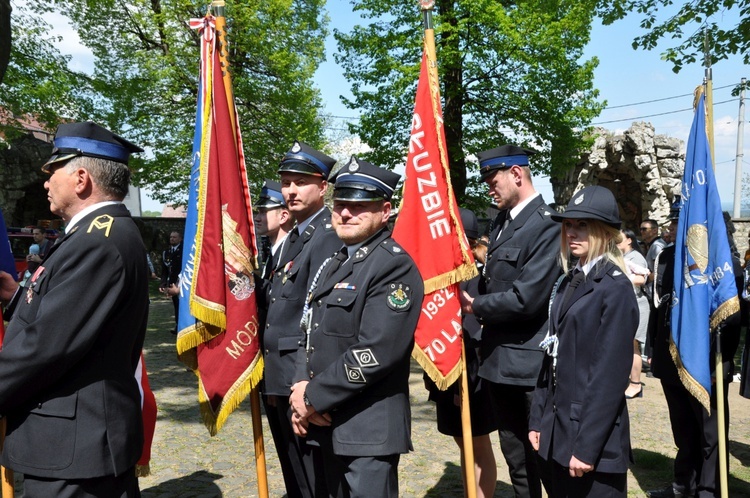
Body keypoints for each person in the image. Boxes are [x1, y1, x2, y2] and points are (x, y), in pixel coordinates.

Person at [0, 121, 148, 497]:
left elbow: (45, 346)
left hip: (75, 447)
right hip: (75, 442)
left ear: (81, 178)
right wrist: (17, 294)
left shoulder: (98, 242)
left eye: (52, 173)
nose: (46, 183)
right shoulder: (96, 235)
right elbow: (68, 315)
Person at [289, 157, 424, 497]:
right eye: (341, 204)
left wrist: (312, 397)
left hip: (367, 430)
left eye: (360, 206)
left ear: (386, 210)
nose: (346, 213)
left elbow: (375, 351)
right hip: (324, 423)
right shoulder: (337, 261)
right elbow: (308, 330)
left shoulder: (393, 267)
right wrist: (299, 389)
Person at [459, 144, 561, 498]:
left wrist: (477, 306)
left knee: (545, 459)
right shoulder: (502, 221)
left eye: (493, 178)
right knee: (517, 461)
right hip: (498, 361)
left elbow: (527, 297)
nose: (489, 187)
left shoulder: (546, 226)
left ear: (517, 174)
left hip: (529, 366)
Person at [529, 185, 639, 497]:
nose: (572, 233)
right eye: (568, 224)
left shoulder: (615, 289)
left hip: (590, 443)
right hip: (556, 433)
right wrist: (538, 420)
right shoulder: (567, 281)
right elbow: (549, 357)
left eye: (583, 225)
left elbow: (608, 378)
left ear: (604, 232)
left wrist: (587, 448)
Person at [646, 201, 741, 498]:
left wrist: (721, 361)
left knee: (709, 434)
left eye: (680, 220)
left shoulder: (724, 262)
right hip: (674, 357)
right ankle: (683, 484)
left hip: (706, 362)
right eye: (675, 220)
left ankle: (709, 489)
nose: (675, 226)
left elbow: (733, 316)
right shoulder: (671, 256)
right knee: (683, 430)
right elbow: (663, 307)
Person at [262, 141, 341, 498]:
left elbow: (317, 321)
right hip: (280, 376)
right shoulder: (296, 235)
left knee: (314, 481)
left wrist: (307, 389)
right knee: (297, 478)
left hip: (300, 382)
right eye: (285, 182)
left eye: (300, 182)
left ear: (323, 187)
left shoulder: (324, 236)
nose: (290, 190)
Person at [426, 207, 498, 498]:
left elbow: (477, 333)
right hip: (449, 373)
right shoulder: (442, 278)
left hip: (472, 376)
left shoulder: (479, 279)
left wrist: (465, 381)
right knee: (462, 441)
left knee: (477, 443)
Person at [254, 179, 294, 328]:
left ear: (283, 216)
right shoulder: (274, 251)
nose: (257, 218)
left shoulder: (293, 252)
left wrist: (248, 279)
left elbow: (278, 298)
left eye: (263, 212)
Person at [617, 228, 650, 399]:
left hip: (637, 304)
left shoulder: (636, 257)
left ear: (629, 240)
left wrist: (619, 278)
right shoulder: (621, 256)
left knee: (633, 345)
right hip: (625, 304)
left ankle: (635, 384)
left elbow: (642, 278)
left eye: (619, 237)